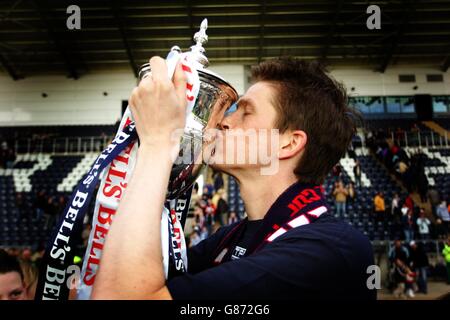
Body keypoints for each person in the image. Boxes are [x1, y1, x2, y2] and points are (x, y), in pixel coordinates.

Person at [92, 57, 375, 300]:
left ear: (288, 143)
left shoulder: (331, 250)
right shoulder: (228, 238)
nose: (225, 121)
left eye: (245, 111)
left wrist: (156, 144)